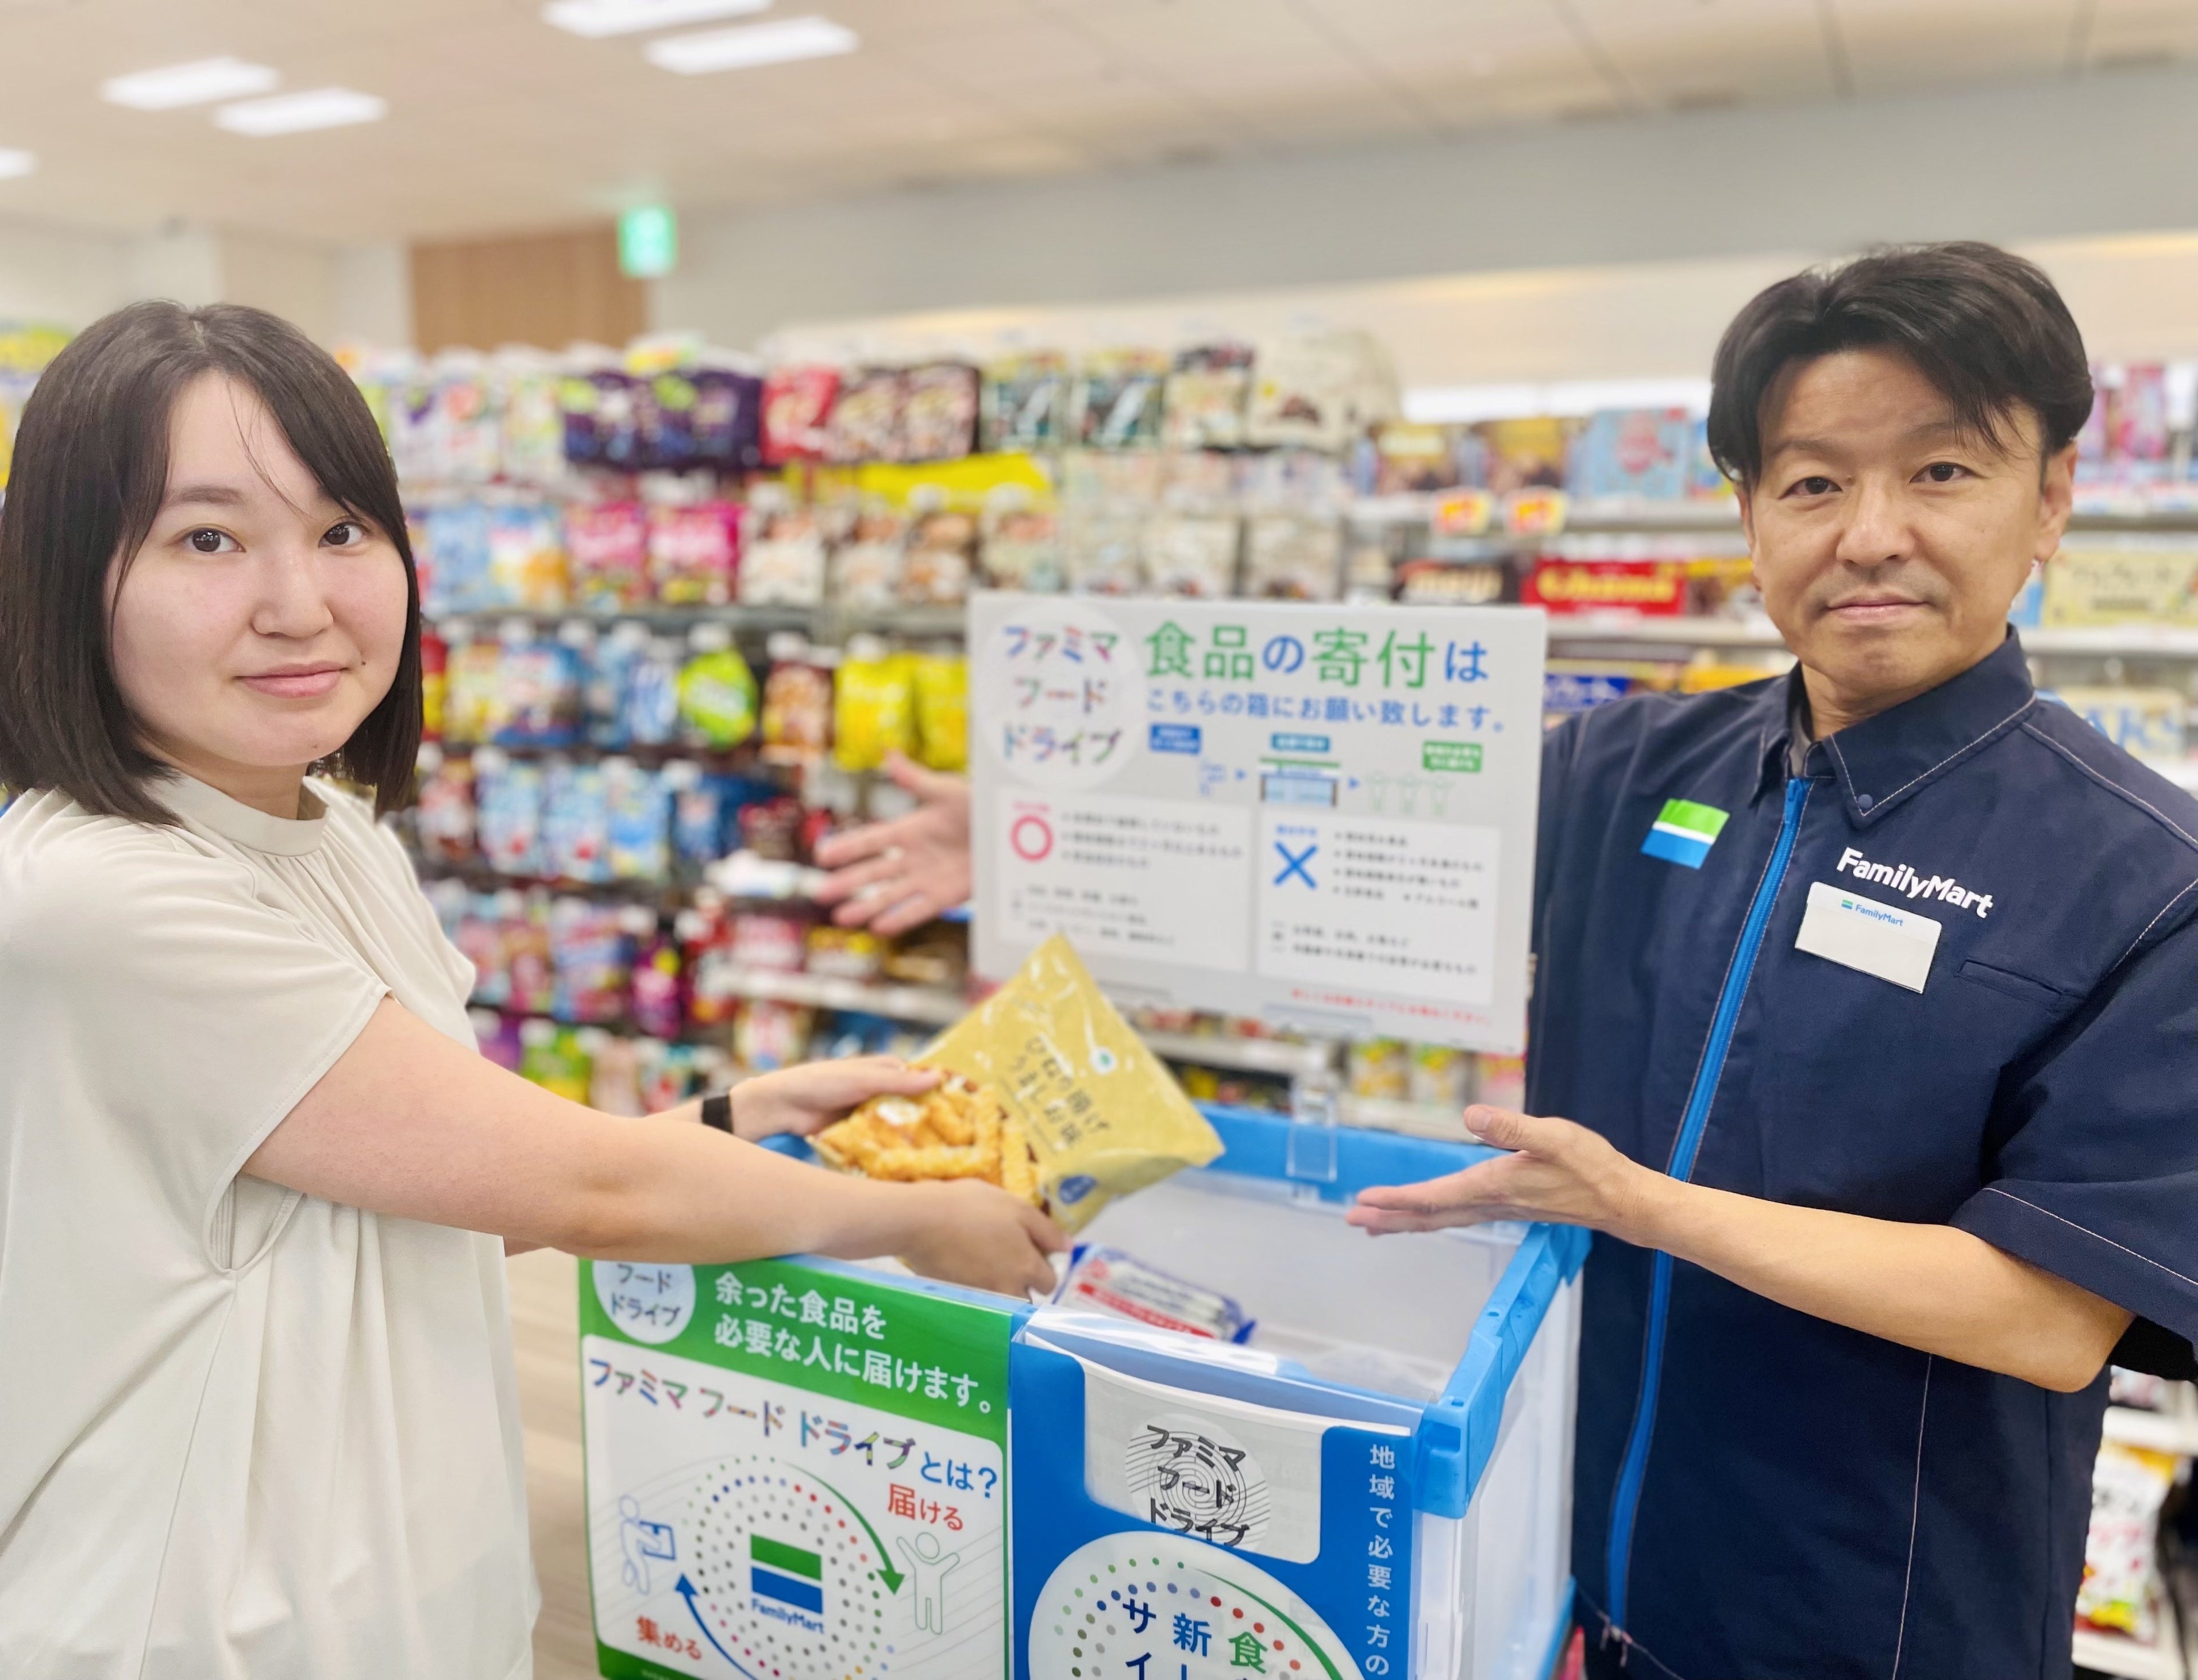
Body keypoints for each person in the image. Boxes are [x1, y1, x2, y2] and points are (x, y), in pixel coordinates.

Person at [820, 246, 2198, 1677]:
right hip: (1561, 1567)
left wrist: (1643, 1207)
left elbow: (2048, 1315)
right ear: (1748, 517)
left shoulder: (2146, 881)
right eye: (1810, 483)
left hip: (1874, 1626)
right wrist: (1039, 836)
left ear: (2053, 498)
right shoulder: (1632, 763)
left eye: (1942, 472)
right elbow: (1335, 839)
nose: (1869, 534)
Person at [0, 301, 1065, 1680]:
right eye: (207, 539)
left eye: (341, 529)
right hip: (190, 1628)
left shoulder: (330, 832)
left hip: (386, 1597)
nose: (300, 602)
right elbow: (589, 1195)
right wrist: (913, 1219)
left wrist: (741, 1113)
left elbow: (423, 1210)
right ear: (69, 579)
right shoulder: (103, 895)